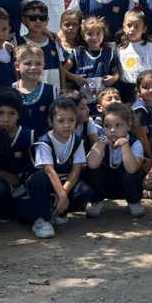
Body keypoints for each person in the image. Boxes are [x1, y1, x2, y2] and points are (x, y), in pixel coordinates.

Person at [21, 98, 99, 238]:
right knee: (40, 179)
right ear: (51, 122)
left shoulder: (77, 141)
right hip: (44, 182)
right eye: (61, 121)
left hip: (62, 182)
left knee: (85, 191)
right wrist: (62, 195)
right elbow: (49, 171)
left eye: (71, 120)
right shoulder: (44, 142)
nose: (67, 125)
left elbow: (76, 170)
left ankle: (58, 212)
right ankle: (42, 220)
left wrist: (63, 193)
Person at [0, 86, 35, 222]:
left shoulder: (29, 135)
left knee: (26, 215)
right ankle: (2, 210)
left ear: (19, 115)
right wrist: (4, 175)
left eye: (12, 113)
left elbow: (34, 167)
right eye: (0, 113)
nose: (6, 119)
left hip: (22, 186)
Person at [85, 102, 146, 217]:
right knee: (93, 170)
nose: (112, 130)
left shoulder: (135, 143)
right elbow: (92, 165)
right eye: (108, 126)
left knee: (133, 174)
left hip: (125, 186)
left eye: (118, 125)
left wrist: (124, 145)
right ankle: (96, 201)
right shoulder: (101, 141)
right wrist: (101, 144)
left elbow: (132, 169)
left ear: (128, 126)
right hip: (106, 185)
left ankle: (134, 201)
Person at [67, 16, 118, 113]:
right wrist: (74, 78)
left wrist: (114, 78)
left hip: (104, 107)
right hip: (83, 106)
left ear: (103, 34)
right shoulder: (78, 53)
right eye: (90, 34)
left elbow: (117, 72)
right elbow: (63, 70)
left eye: (98, 33)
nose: (94, 37)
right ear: (83, 36)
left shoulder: (109, 52)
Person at [17, 0, 66, 90]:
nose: (38, 21)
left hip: (54, 94)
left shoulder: (54, 42)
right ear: (24, 20)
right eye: (33, 18)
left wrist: (63, 91)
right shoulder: (17, 42)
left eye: (42, 17)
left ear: (47, 21)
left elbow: (61, 69)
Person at [13, 44, 58, 137]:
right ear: (17, 66)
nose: (33, 67)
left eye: (38, 64)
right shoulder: (11, 91)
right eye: (28, 63)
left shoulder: (51, 91)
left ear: (43, 66)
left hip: (44, 144)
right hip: (18, 144)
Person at [116, 9, 152, 104]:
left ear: (144, 29)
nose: (132, 29)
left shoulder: (150, 47)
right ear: (124, 27)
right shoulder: (120, 49)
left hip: (145, 87)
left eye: (136, 26)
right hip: (125, 87)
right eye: (129, 26)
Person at [131, 70, 152, 157]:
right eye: (146, 87)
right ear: (138, 90)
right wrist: (150, 156)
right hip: (143, 151)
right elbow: (141, 136)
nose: (151, 90)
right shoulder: (140, 109)